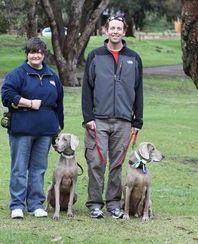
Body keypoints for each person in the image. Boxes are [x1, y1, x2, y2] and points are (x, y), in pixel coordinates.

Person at [81, 16, 143, 219]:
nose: (115, 31)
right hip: (98, 119)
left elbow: (138, 90)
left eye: (119, 28)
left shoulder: (134, 58)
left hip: (124, 121)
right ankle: (94, 204)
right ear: (105, 31)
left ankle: (114, 203)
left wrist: (137, 120)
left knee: (116, 164)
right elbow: (86, 89)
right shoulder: (95, 56)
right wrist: (88, 116)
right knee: (97, 162)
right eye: (112, 28)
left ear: (124, 31)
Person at [1, 37, 64, 219]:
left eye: (38, 52)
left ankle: (36, 204)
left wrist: (58, 126)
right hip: (22, 129)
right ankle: (17, 205)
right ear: (27, 54)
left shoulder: (52, 76)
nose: (35, 55)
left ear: (43, 55)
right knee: (19, 168)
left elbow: (59, 103)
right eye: (31, 52)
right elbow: (7, 95)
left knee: (39, 168)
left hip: (45, 131)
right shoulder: (18, 74)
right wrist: (28, 103)